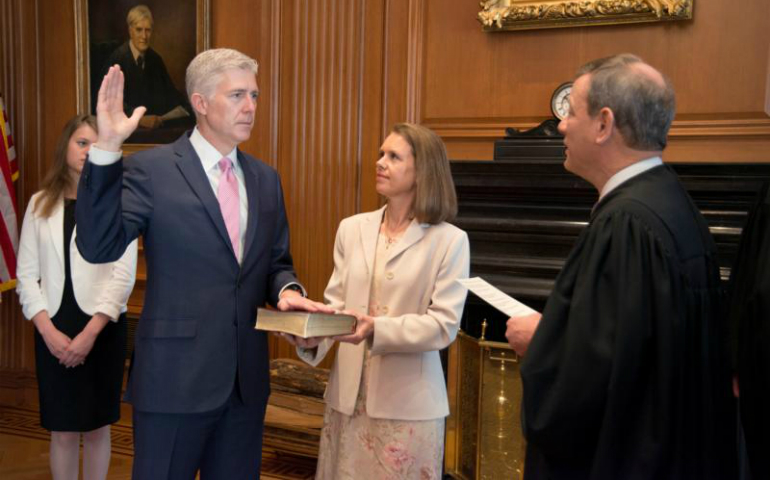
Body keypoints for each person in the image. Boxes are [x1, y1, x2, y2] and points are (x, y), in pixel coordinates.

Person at [76, 48, 332, 479]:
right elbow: (98, 246)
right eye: (236, 95)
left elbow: (275, 263)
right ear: (199, 102)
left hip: (244, 386)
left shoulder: (266, 179)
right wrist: (107, 148)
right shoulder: (151, 170)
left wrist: (289, 293)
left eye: (254, 95)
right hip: (173, 383)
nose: (250, 107)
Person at [504, 54, 737, 479]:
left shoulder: (626, 224)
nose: (560, 125)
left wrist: (541, 343)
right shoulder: (669, 202)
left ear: (603, 123)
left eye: (571, 112)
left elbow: (592, 383)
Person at [285, 123, 470, 480]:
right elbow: (336, 305)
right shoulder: (351, 228)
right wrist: (313, 336)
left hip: (409, 411)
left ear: (422, 172)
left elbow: (443, 326)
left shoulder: (451, 241)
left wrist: (376, 329)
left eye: (394, 157)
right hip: (347, 403)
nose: (380, 162)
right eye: (381, 154)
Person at [15, 114, 137, 480]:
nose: (88, 151)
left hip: (101, 329)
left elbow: (123, 275)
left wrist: (89, 335)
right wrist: (48, 333)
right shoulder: (39, 204)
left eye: (97, 145)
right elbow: (25, 275)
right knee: (63, 430)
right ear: (65, 147)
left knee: (98, 428)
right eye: (82, 142)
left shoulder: (119, 202)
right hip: (53, 328)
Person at [101, 5, 191, 131]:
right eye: (139, 30)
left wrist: (190, 105)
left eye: (148, 30)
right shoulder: (117, 59)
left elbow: (170, 94)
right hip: (124, 132)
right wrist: (139, 119)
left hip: (153, 132)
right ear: (130, 30)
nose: (144, 36)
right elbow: (108, 100)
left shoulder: (155, 60)